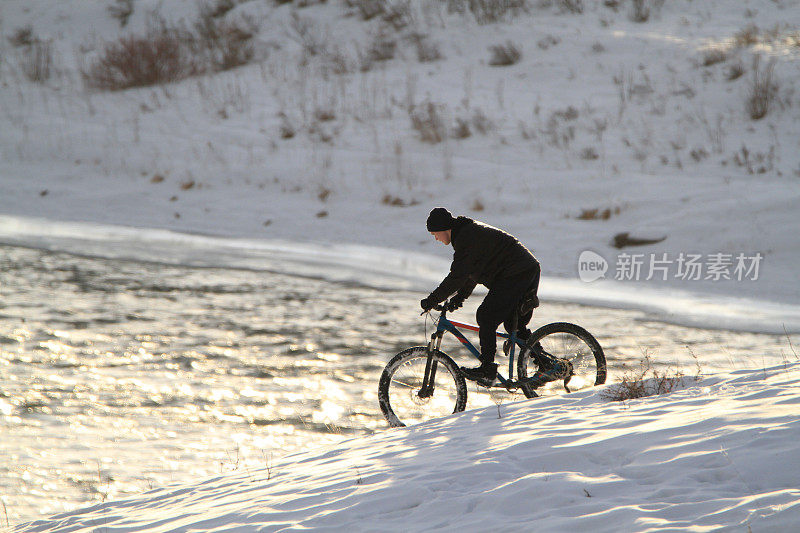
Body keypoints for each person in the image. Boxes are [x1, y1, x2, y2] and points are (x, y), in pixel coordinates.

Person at [420, 207, 540, 384]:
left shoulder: (466, 238)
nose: (436, 238)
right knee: (514, 325)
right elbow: (471, 273)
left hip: (517, 272)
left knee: (486, 316)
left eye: (435, 234)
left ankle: (487, 369)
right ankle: (547, 365)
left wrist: (432, 300)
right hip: (523, 270)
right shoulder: (466, 234)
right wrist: (459, 299)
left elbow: (457, 276)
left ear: (444, 228)